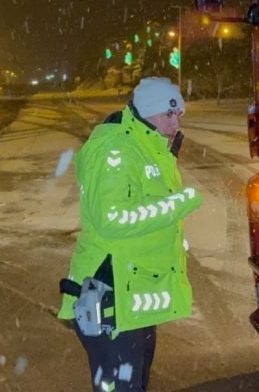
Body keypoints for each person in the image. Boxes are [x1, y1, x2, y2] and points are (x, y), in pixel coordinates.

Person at [58, 77, 201, 392]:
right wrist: (180, 203)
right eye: (168, 114)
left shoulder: (148, 146)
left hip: (132, 298)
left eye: (178, 114)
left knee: (133, 383)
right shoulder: (116, 151)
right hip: (110, 296)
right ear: (147, 112)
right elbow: (112, 218)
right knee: (122, 385)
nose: (175, 123)